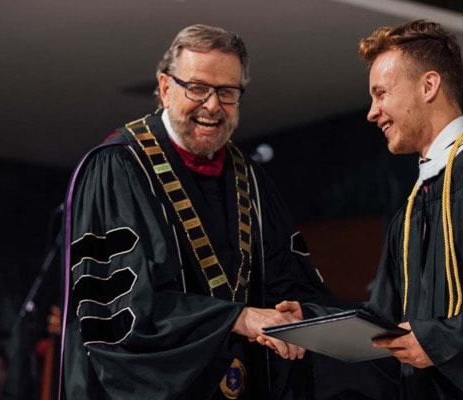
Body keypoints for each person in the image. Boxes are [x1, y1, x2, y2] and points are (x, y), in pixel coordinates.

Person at [277, 20, 463, 399]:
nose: (372, 112)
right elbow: (385, 322)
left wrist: (439, 342)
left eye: (382, 93)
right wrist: (312, 323)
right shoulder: (411, 208)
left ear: (429, 85)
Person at [60, 24, 341, 400]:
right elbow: (121, 315)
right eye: (197, 88)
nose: (212, 105)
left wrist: (298, 317)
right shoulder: (119, 168)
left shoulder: (251, 178)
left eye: (227, 92)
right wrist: (238, 318)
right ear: (164, 87)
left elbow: (289, 275)